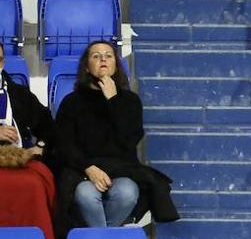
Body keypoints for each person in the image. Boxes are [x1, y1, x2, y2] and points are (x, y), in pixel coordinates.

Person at [55, 41, 178, 228]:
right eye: (96, 56)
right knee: (86, 194)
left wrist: (113, 100)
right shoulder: (72, 102)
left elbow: (129, 140)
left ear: (115, 65)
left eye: (108, 55)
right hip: (83, 169)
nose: (103, 59)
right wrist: (89, 168)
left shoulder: (130, 101)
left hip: (122, 168)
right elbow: (64, 143)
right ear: (87, 67)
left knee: (128, 193)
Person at [0, 39, 59, 239]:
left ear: (2, 62)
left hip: (18, 160)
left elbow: (50, 128)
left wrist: (40, 147)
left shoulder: (19, 94)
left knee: (34, 185)